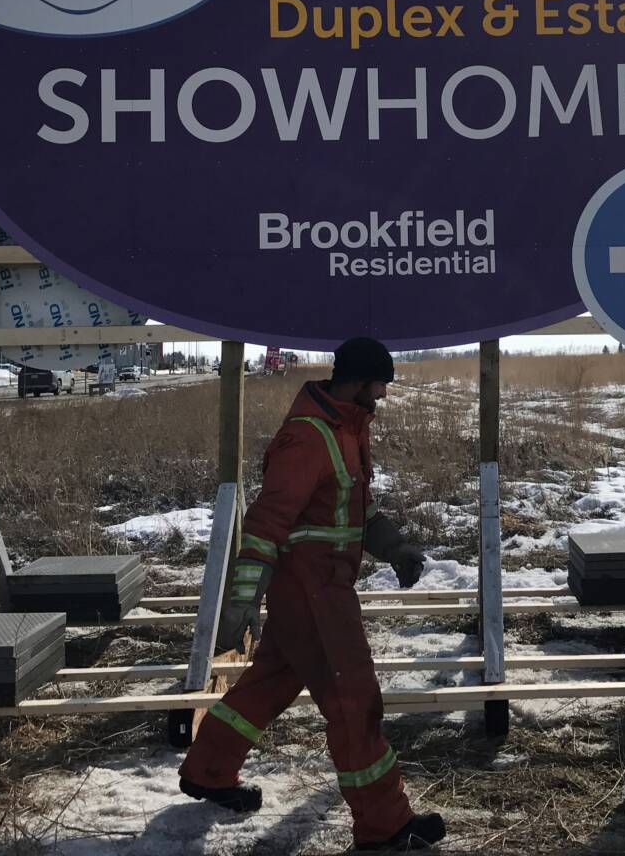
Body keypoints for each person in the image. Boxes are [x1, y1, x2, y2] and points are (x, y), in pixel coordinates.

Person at [179, 337, 446, 852]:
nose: (385, 394)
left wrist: (397, 549)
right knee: (355, 702)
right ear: (359, 381)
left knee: (273, 682)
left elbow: (357, 510)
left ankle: (209, 769)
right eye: (380, 383)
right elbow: (267, 521)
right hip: (315, 592)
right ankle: (385, 825)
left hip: (317, 589)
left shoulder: (344, 429)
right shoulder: (308, 437)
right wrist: (242, 600)